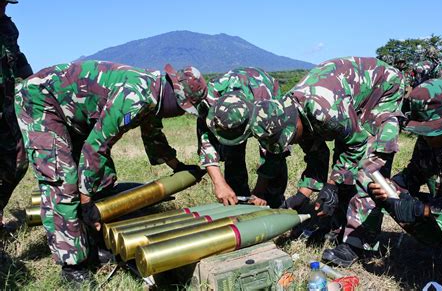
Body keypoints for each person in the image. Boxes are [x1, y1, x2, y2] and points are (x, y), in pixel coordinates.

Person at [14, 60, 207, 283]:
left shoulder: (156, 93)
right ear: (177, 98)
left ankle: (90, 242)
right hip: (40, 100)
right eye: (183, 110)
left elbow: (154, 139)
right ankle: (72, 265)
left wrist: (179, 168)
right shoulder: (137, 96)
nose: (180, 114)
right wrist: (86, 202)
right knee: (63, 181)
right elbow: (95, 147)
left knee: (102, 177)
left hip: (71, 112)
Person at [249, 57, 405, 267]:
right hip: (349, 102)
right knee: (344, 161)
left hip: (383, 89)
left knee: (369, 164)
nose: (294, 141)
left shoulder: (324, 111)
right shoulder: (288, 112)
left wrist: (331, 185)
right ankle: (339, 225)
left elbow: (356, 144)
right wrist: (303, 194)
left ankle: (358, 243)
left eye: (291, 137)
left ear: (294, 122)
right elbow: (317, 154)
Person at [368, 79, 442, 269]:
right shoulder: (429, 142)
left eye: (431, 129)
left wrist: (422, 210)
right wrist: (393, 187)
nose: (425, 136)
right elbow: (414, 173)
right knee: (396, 198)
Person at [198, 67, 287, 207]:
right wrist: (219, 183)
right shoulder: (209, 99)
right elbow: (205, 140)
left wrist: (260, 190)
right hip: (231, 109)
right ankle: (237, 200)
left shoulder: (266, 104)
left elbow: (274, 149)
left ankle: (274, 202)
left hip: (262, 96)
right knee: (232, 154)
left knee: (276, 163)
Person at [0, 0, 32, 228]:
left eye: (5, 4)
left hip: (7, 110)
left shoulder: (8, 28)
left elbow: (18, 59)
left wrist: (36, 83)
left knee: (19, 161)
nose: (3, 8)